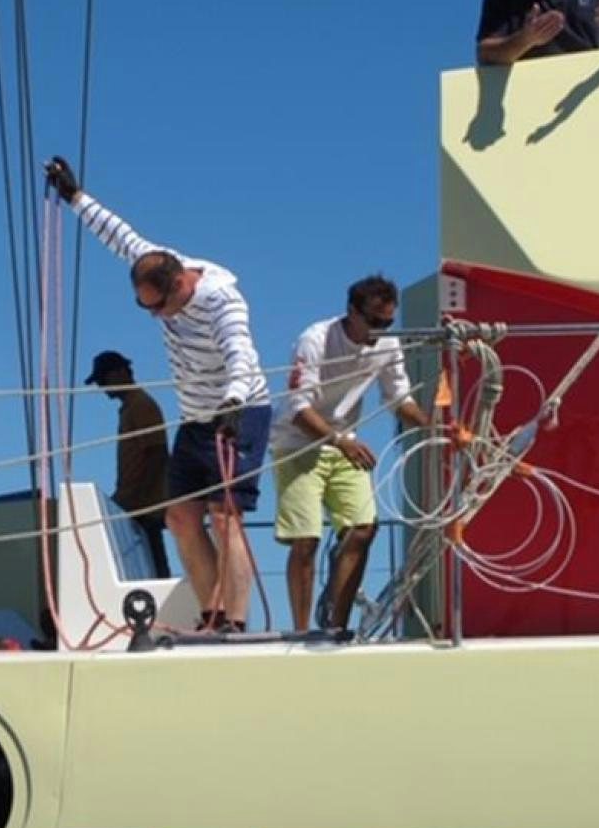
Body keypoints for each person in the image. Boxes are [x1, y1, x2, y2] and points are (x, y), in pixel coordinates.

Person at [45, 156, 270, 633]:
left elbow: (241, 355)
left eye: (160, 306)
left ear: (181, 284)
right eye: (143, 307)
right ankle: (209, 617)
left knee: (225, 517)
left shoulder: (221, 302)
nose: (154, 316)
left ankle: (235, 620)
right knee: (180, 519)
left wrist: (231, 403)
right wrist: (74, 197)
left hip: (240, 410)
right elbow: (119, 236)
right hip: (194, 415)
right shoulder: (157, 261)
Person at [271, 277, 429, 636]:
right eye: (374, 321)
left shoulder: (387, 343)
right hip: (297, 442)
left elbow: (397, 398)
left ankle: (335, 626)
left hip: (344, 440)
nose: (380, 330)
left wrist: (429, 423)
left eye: (387, 322)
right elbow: (298, 408)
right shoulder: (315, 339)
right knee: (306, 538)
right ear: (351, 313)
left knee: (363, 529)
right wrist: (340, 440)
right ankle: (300, 632)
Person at [86, 349, 172, 579]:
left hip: (143, 502)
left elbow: (157, 453)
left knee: (153, 556)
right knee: (145, 559)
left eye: (104, 379)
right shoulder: (131, 407)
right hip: (133, 500)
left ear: (121, 373)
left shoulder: (141, 405)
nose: (103, 386)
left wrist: (142, 499)